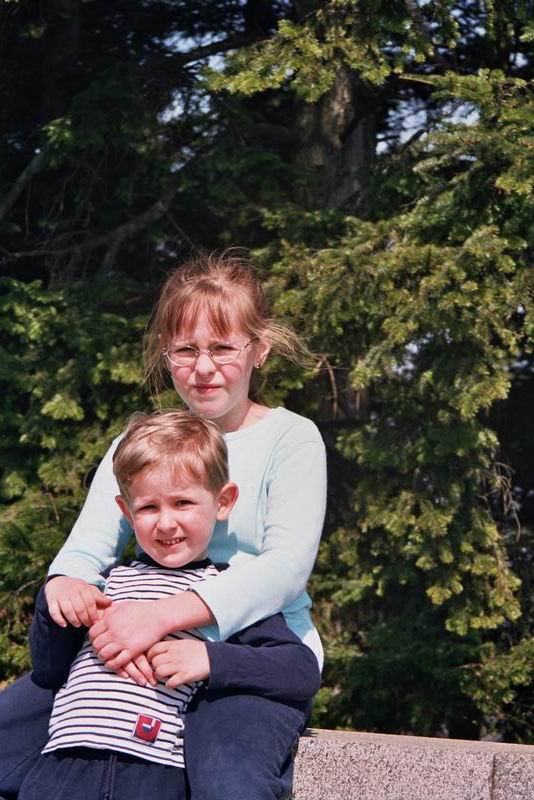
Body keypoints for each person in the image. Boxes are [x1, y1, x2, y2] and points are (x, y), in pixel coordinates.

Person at [0, 251, 327, 800]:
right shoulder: (139, 444)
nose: (204, 367)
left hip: (247, 654)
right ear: (165, 353)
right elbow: (84, 553)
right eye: (186, 350)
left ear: (260, 349)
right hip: (132, 641)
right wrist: (67, 588)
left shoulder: (290, 438)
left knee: (229, 782)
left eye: (223, 348)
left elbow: (285, 569)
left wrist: (159, 619)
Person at [18, 410, 321, 800]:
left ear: (223, 502)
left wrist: (210, 659)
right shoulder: (107, 586)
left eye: (183, 503)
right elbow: (49, 669)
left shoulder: (224, 592)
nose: (165, 523)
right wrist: (55, 600)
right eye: (148, 508)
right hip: (61, 773)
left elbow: (299, 670)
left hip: (152, 776)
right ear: (126, 512)